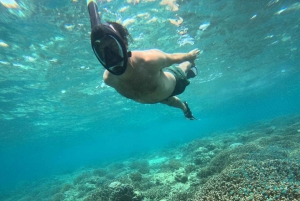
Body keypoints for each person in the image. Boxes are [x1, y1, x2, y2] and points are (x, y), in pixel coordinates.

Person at [87, 1, 200, 120]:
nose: (110, 56)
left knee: (182, 68)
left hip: (175, 82)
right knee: (169, 102)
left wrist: (189, 56)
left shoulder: (150, 60)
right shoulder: (109, 79)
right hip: (161, 96)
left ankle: (190, 66)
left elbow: (174, 58)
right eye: (102, 51)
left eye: (113, 47)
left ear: (125, 43)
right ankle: (185, 109)